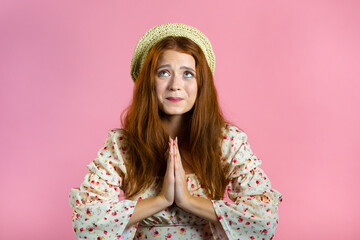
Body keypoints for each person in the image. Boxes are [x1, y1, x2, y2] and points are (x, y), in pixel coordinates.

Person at [69, 23, 283, 240]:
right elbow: (86, 222)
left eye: (188, 74)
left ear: (202, 84)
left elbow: (264, 221)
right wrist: (161, 199)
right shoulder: (122, 144)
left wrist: (187, 200)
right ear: (148, 83)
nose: (175, 85)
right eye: (163, 73)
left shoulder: (227, 142)